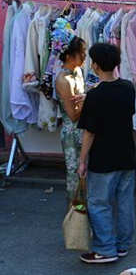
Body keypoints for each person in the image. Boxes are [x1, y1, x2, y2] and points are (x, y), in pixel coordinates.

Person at [77, 43, 136, 264]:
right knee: (124, 201)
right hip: (126, 153)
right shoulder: (128, 87)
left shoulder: (95, 95)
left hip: (104, 157)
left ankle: (105, 249)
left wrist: (82, 161)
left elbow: (90, 133)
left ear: (96, 65)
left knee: (99, 203)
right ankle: (122, 245)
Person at [52, 18, 86, 202]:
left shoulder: (77, 72)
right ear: (69, 56)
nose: (85, 56)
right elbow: (72, 114)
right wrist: (90, 100)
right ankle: (75, 215)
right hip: (72, 132)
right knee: (74, 173)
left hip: (82, 129)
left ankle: (85, 210)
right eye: (82, 53)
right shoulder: (64, 80)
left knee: (85, 172)